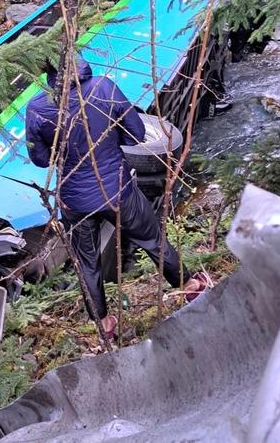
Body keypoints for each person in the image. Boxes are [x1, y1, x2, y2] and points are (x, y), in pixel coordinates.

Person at [25, 56, 206, 338]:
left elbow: (39, 159)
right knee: (153, 240)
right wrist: (109, 143)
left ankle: (105, 325)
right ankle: (191, 288)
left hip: (73, 201)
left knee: (87, 264)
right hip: (116, 191)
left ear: (45, 70)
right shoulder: (104, 88)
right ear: (77, 59)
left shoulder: (37, 108)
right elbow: (136, 134)